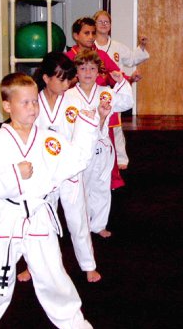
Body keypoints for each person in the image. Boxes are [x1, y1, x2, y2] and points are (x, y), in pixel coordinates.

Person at [0, 73, 108, 329]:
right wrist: (14, 175)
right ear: (7, 106)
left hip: (40, 217)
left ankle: (75, 324)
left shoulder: (48, 140)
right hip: (6, 219)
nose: (33, 108)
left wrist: (87, 125)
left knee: (54, 279)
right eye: (25, 103)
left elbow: (75, 161)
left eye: (34, 102)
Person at [17, 52, 102, 284]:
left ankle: (88, 265)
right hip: (43, 172)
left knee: (77, 220)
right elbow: (24, 133)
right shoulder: (33, 104)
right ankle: (33, 265)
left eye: (68, 79)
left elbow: (85, 135)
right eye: (61, 79)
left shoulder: (74, 102)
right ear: (45, 78)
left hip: (68, 171)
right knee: (38, 220)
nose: (67, 84)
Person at [63, 49, 134, 238]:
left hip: (102, 148)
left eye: (92, 68)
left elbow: (127, 102)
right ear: (76, 71)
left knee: (102, 187)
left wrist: (120, 81)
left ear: (99, 72)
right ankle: (82, 225)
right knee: (81, 189)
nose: (87, 73)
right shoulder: (67, 96)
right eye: (83, 68)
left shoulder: (106, 93)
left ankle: (99, 224)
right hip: (79, 149)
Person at [66, 17, 133, 190]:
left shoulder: (101, 56)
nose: (90, 37)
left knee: (107, 143)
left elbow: (115, 74)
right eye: (86, 33)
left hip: (101, 104)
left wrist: (126, 80)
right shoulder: (68, 57)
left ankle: (112, 179)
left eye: (93, 33)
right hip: (78, 105)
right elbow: (60, 82)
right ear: (75, 35)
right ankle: (76, 178)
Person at [94, 9, 149, 170]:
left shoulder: (117, 46)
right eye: (100, 22)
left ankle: (120, 158)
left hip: (112, 90)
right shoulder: (91, 48)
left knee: (115, 127)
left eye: (107, 22)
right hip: (94, 90)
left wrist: (142, 46)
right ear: (94, 24)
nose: (104, 25)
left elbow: (132, 59)